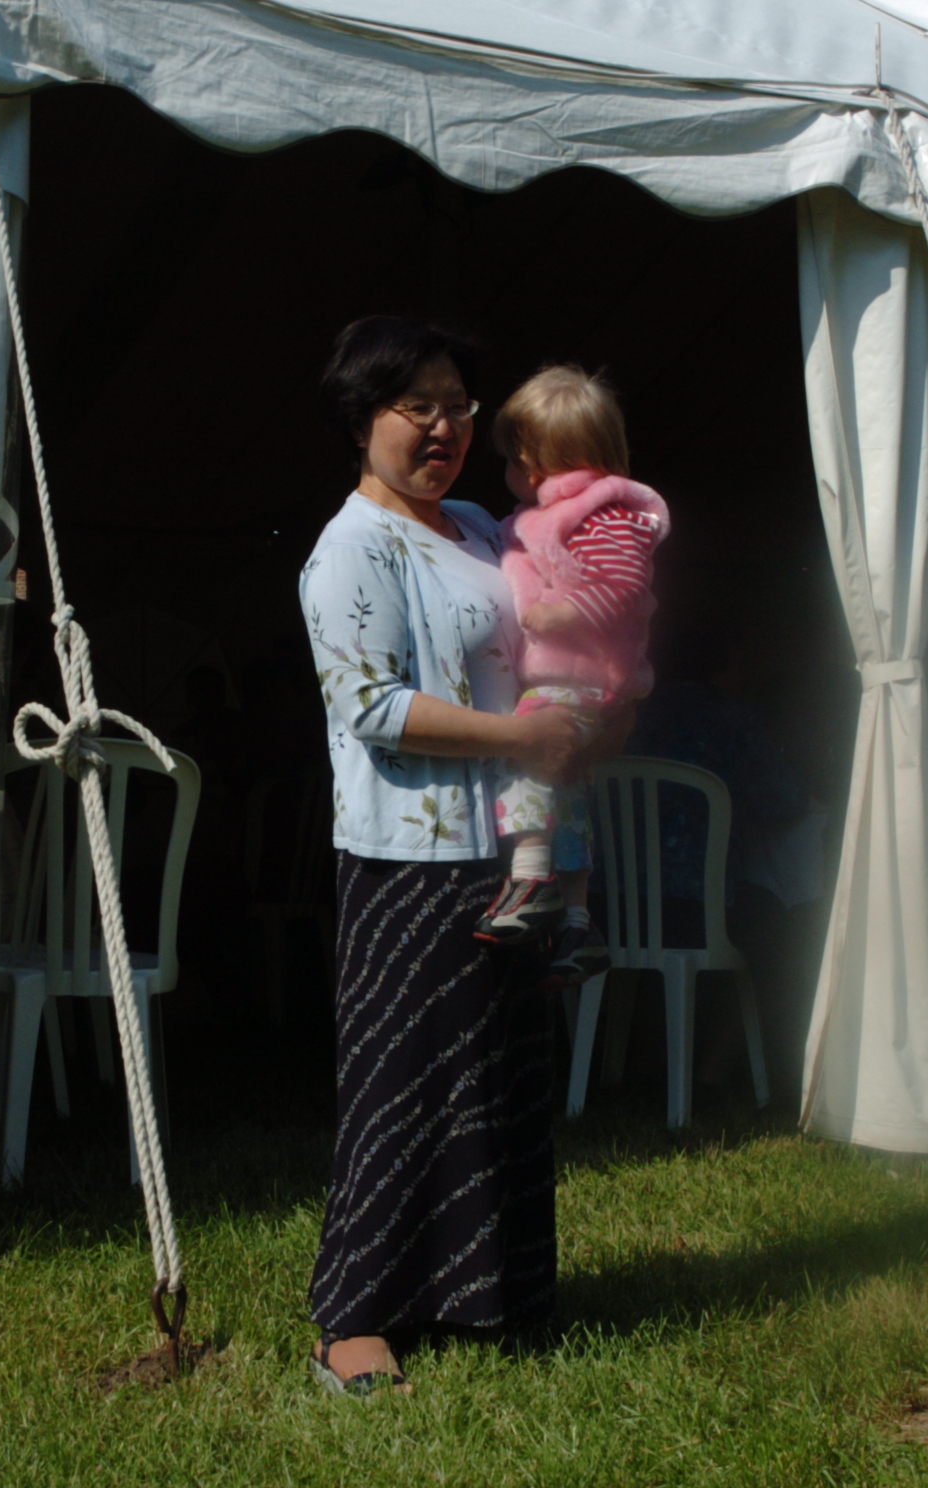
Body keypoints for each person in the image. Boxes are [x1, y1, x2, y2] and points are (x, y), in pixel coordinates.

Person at [296, 316, 620, 1395]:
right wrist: (521, 739)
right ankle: (351, 1322)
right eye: (418, 408)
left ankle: (493, 1295)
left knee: (500, 1082)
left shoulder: (483, 527)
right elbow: (372, 705)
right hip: (409, 859)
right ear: (363, 421)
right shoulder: (351, 548)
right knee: (403, 1084)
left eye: (458, 408)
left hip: (513, 846)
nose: (443, 429)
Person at [479, 366, 670, 990]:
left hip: (576, 680)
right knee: (568, 794)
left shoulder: (601, 512)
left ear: (537, 464)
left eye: (514, 459)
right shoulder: (546, 518)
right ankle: (578, 925)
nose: (512, 472)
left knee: (526, 754)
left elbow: (623, 586)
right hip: (576, 685)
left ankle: (530, 879)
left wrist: (559, 613)